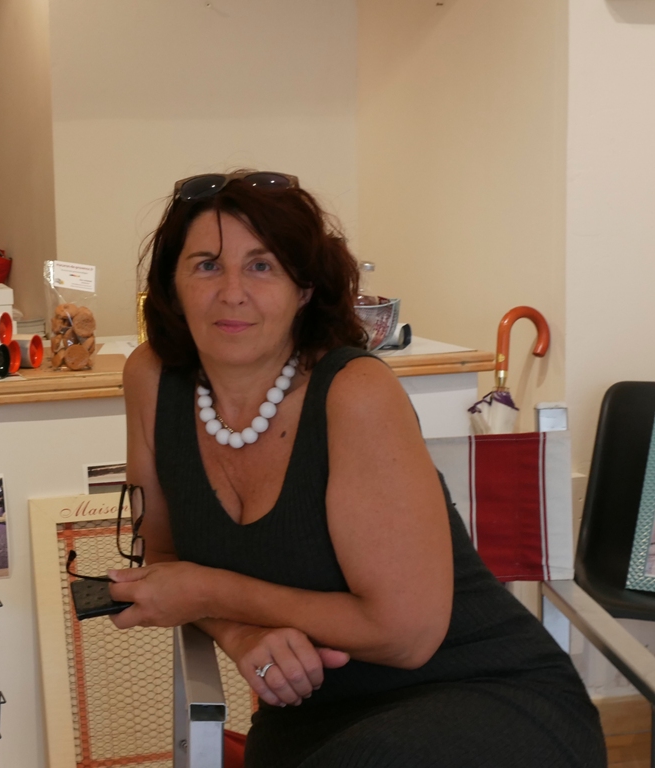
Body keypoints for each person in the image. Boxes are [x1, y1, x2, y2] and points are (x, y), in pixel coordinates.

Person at [107, 171, 604, 766]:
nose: (232, 292)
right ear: (172, 284)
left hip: (483, 694)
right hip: (309, 715)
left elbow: (405, 636)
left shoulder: (355, 392)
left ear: (304, 288)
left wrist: (211, 591)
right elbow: (166, 562)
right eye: (207, 265)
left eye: (262, 266)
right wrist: (241, 635)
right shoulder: (152, 378)